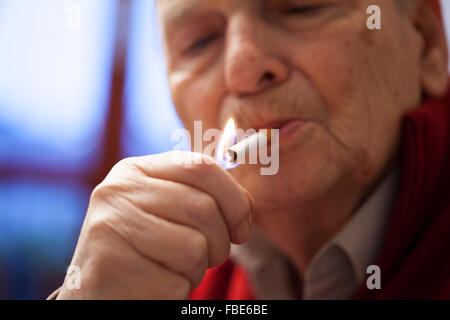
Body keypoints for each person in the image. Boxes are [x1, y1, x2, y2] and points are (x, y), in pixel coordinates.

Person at [51, 0, 450, 299]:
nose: (241, 71)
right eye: (199, 41)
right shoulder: (165, 278)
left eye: (300, 7)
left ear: (428, 43)